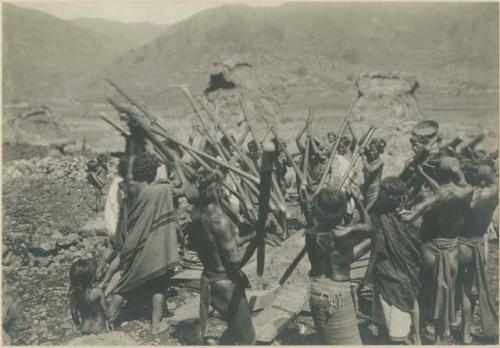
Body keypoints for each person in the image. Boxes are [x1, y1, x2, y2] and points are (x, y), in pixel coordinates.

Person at [399, 156, 473, 344]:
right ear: (454, 172)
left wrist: (420, 175)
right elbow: (452, 186)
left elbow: (408, 217)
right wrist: (429, 173)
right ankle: (439, 339)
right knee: (445, 296)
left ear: (437, 174)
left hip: (430, 251)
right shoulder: (467, 191)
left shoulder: (429, 197)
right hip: (452, 251)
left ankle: (416, 336)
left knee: (419, 294)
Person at [107, 153, 179, 335]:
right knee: (159, 284)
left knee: (126, 281)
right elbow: (181, 190)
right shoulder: (160, 191)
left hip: (133, 241)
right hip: (154, 244)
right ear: (152, 172)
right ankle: (156, 325)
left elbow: (125, 217)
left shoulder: (127, 187)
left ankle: (107, 319)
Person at [184, 170, 256, 345]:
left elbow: (221, 244)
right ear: (216, 190)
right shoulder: (220, 221)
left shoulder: (197, 218)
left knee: (234, 332)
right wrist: (254, 246)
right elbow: (234, 262)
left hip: (211, 280)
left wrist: (252, 237)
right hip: (226, 286)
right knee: (249, 340)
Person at [305, 186, 373, 345]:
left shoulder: (310, 233)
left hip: (316, 290)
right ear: (342, 212)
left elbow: (324, 221)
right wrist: (357, 200)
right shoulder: (344, 233)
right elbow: (368, 227)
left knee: (328, 340)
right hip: (337, 295)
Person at [369, 177, 422, 344]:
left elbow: (376, 250)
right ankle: (416, 335)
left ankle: (397, 336)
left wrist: (367, 277)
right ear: (403, 198)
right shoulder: (411, 217)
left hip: (387, 272)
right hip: (409, 271)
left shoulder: (379, 219)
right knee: (411, 300)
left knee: (392, 310)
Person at [458, 164, 499, 343]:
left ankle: (459, 328)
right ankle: (466, 332)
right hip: (479, 245)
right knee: (470, 289)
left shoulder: (467, 195)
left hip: (462, 245)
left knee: (461, 290)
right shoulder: (493, 195)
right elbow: (493, 180)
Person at [69, 259, 108, 335]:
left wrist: (78, 324)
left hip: (84, 328)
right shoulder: (97, 292)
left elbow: (74, 313)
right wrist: (112, 319)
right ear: (90, 277)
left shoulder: (73, 294)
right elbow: (106, 310)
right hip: (99, 328)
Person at [361, 138, 386, 212]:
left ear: (379, 151)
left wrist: (362, 156)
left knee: (365, 212)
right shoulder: (369, 157)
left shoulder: (379, 162)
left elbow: (370, 169)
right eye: (370, 150)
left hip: (374, 192)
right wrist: (368, 133)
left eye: (374, 151)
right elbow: (360, 143)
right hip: (366, 190)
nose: (371, 152)